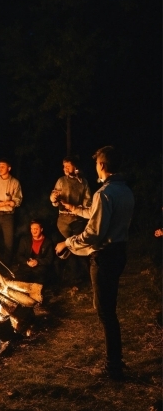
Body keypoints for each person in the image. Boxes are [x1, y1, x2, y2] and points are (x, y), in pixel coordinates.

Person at [55, 146, 134, 380]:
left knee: (105, 312)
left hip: (105, 256)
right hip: (120, 252)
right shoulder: (125, 191)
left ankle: (114, 366)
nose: (95, 166)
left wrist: (67, 243)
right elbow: (95, 213)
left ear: (102, 165)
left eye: (97, 163)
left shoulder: (104, 193)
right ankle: (115, 362)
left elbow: (93, 234)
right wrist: (75, 209)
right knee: (110, 309)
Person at [50, 156, 91, 283]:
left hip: (77, 219)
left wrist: (75, 208)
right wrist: (53, 197)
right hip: (62, 220)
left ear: (75, 167)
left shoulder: (83, 182)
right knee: (64, 248)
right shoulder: (61, 181)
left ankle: (82, 277)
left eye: (68, 166)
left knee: (77, 247)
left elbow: (87, 203)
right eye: (64, 166)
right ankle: (60, 278)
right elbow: (54, 200)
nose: (65, 169)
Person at [14, 220, 54, 284]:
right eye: (32, 229)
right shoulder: (25, 240)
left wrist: (37, 262)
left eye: (36, 229)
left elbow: (49, 259)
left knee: (40, 281)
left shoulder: (48, 242)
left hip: (40, 268)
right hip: (27, 266)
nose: (33, 231)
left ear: (41, 229)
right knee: (18, 280)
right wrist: (27, 262)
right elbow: (19, 255)